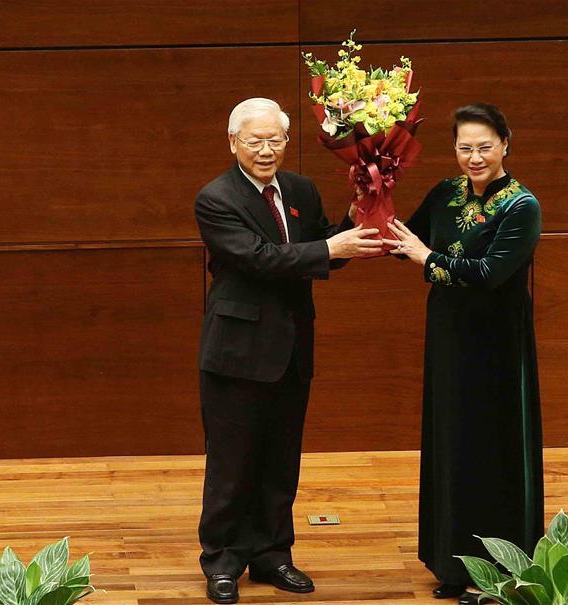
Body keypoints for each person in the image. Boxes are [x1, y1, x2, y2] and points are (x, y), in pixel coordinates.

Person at [195, 97, 382, 604]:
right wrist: (328, 249)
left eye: (274, 139)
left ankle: (273, 553)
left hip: (292, 347)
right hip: (237, 351)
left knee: (281, 459)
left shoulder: (299, 188)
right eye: (254, 141)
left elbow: (323, 248)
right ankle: (223, 559)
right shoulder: (216, 198)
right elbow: (259, 259)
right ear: (233, 143)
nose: (265, 149)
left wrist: (356, 214)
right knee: (233, 462)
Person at [383, 103, 545, 605]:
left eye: (484, 146)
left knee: (493, 449)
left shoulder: (522, 207)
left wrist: (427, 259)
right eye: (464, 148)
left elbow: (488, 273)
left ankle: (500, 570)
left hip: (496, 345)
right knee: (451, 443)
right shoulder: (446, 193)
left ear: (505, 145)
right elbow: (402, 237)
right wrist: (370, 195)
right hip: (449, 336)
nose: (473, 157)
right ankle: (451, 562)